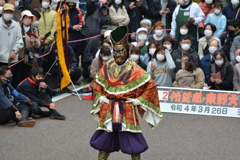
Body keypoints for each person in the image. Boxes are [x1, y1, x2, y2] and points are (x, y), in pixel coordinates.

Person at [90, 26, 162, 160]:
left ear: (127, 51)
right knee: (104, 142)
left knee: (134, 144)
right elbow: (97, 84)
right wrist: (100, 96)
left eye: (120, 51)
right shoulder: (107, 66)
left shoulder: (135, 69)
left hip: (127, 108)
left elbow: (150, 85)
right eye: (115, 51)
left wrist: (139, 100)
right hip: (108, 107)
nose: (117, 55)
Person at [0, 3, 24, 88]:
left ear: (13, 14)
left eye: (10, 12)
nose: (8, 14)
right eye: (6, 11)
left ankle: (11, 97)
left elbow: (20, 41)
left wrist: (14, 50)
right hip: (1, 59)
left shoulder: (16, 25)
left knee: (12, 80)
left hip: (13, 59)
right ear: (2, 12)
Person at [16, 10, 41, 86]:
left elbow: (38, 45)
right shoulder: (17, 27)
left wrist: (34, 39)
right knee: (17, 77)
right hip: (19, 57)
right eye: (25, 17)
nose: (27, 19)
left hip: (29, 58)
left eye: (29, 18)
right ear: (22, 18)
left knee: (27, 76)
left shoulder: (34, 29)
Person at [67, 0, 84, 66]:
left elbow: (82, 21)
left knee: (76, 60)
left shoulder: (78, 11)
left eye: (74, 3)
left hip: (77, 39)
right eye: (72, 2)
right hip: (68, 40)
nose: (73, 4)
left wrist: (80, 26)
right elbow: (61, 25)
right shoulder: (63, 12)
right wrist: (71, 27)